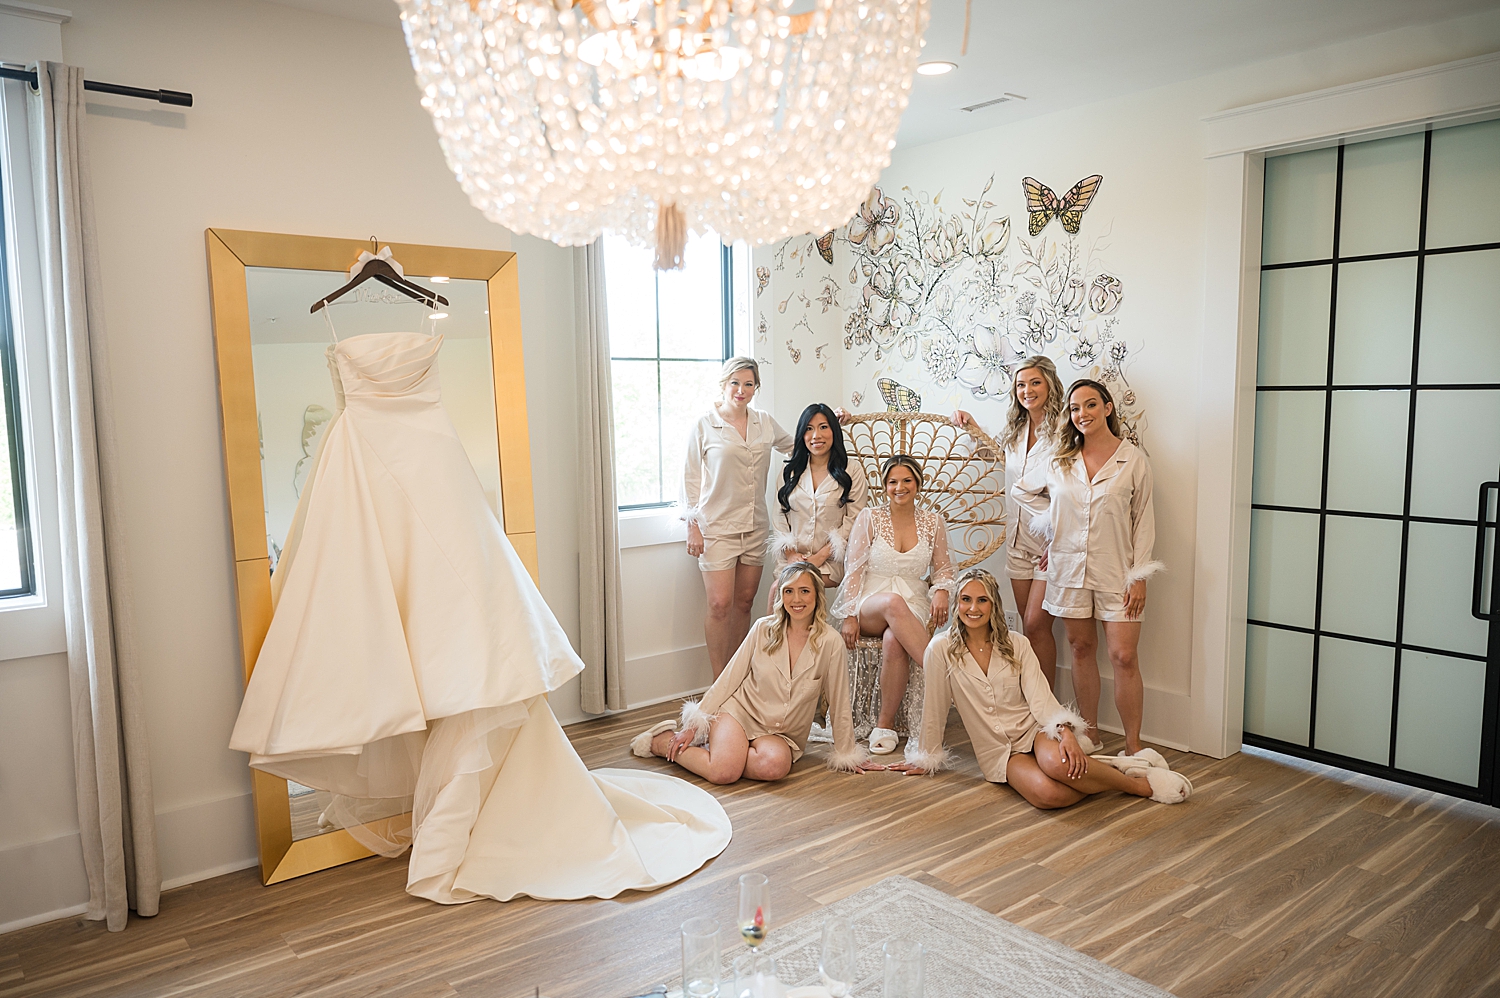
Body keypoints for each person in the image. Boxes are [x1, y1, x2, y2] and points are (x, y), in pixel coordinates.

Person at [230, 327, 730, 905]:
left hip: (429, 472)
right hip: (371, 473)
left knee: (465, 639)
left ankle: (471, 811)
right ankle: (453, 804)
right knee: (399, 626)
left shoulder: (380, 332)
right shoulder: (369, 339)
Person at [890, 569, 1191, 807]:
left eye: (982, 600)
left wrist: (1066, 733)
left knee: (1061, 767)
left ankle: (1141, 785)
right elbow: (935, 705)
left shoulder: (1017, 643)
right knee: (1050, 796)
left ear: (993, 604)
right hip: (999, 751)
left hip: (1033, 730)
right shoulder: (941, 649)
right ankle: (1118, 768)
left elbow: (1041, 698)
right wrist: (925, 756)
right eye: (966, 599)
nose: (973, 608)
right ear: (957, 604)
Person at [1011, 379, 1163, 761]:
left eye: (1090, 405)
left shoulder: (1133, 461)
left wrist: (1140, 575)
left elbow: (1143, 520)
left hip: (1118, 572)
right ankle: (1090, 734)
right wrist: (1051, 528)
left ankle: (1133, 744)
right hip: (1068, 569)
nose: (1082, 414)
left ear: (1108, 408)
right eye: (1075, 409)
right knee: (1080, 648)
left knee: (1124, 656)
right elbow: (1021, 492)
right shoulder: (1060, 460)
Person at [631, 563, 875, 782]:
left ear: (817, 596)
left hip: (781, 731)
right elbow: (729, 680)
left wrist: (847, 754)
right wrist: (694, 725)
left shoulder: (830, 642)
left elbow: (839, 699)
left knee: (775, 768)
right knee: (723, 773)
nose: (796, 599)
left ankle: (721, 752)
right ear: (781, 596)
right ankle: (663, 743)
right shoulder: (762, 629)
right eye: (788, 591)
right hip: (740, 714)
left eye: (804, 591)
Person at [952, 355, 1067, 688]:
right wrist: (973, 429)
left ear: (1049, 385)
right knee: (1027, 630)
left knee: (1035, 624)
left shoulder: (1063, 430)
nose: (1027, 390)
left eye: (1035, 383)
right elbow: (995, 459)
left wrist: (1058, 539)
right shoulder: (1017, 430)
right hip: (1016, 540)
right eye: (1021, 384)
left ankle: (1046, 705)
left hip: (1049, 542)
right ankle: (1030, 699)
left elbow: (1070, 489)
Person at [830, 455, 954, 755]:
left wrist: (941, 592)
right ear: (884, 486)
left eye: (907, 480)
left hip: (912, 604)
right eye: (893, 482)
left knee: (894, 640)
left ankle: (884, 726)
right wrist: (849, 614)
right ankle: (950, 679)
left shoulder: (933, 522)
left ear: (918, 484)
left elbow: (944, 569)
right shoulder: (870, 517)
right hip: (870, 603)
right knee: (893, 604)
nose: (900, 487)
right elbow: (855, 569)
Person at [681, 357, 795, 678]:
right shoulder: (705, 425)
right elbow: (689, 479)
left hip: (756, 527)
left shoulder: (765, 423)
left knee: (745, 604)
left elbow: (799, 447)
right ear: (723, 385)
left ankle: (738, 676)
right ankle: (720, 682)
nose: (741, 390)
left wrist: (832, 422)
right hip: (716, 529)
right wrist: (693, 527)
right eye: (735, 383)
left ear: (755, 387)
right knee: (719, 605)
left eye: (748, 384)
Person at [770, 403, 868, 591]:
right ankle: (770, 623)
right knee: (780, 589)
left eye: (823, 427)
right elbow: (779, 517)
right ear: (802, 435)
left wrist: (820, 557)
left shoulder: (851, 470)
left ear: (834, 431)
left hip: (832, 561)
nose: (816, 436)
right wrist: (791, 555)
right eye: (809, 429)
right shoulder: (789, 471)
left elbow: (854, 520)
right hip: (793, 559)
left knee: (793, 587)